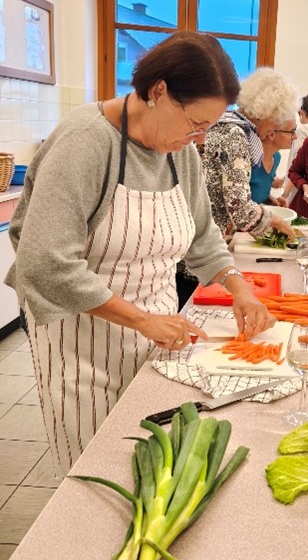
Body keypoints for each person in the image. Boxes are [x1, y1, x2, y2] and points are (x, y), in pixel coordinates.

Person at [5, 31, 274, 477]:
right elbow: (46, 262)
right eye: (195, 123)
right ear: (159, 92)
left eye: (207, 127)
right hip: (83, 346)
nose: (199, 138)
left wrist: (238, 289)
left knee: (152, 469)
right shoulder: (87, 141)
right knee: (98, 476)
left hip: (159, 337)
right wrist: (142, 320)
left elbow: (203, 235)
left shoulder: (178, 151)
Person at [201, 67, 299, 238]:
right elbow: (240, 209)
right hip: (205, 236)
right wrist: (278, 223)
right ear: (266, 113)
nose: (274, 129)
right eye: (276, 121)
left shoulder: (226, 125)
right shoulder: (234, 135)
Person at [279, 94, 308, 201]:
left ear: (302, 113)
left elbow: (297, 165)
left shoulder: (302, 131)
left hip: (297, 189)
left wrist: (284, 195)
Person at [250, 121, 297, 205]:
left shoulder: (276, 157)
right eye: (291, 132)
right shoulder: (249, 158)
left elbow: (256, 192)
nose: (295, 136)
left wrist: (270, 199)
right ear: (271, 134)